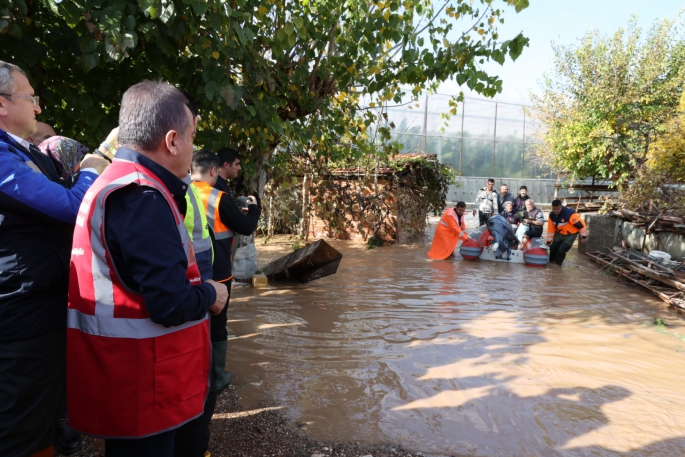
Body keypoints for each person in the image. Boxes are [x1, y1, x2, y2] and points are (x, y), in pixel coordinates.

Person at [66, 80, 228, 457]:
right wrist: (212, 293)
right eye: (190, 137)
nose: (192, 149)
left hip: (127, 377)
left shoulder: (113, 180)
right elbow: (169, 304)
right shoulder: (143, 197)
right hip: (148, 384)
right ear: (172, 141)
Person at [0, 60, 109, 457]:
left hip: (42, 302)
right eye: (31, 98)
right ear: (2, 105)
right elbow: (68, 207)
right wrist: (92, 171)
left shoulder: (21, 151)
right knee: (21, 427)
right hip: (21, 313)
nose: (39, 108)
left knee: (42, 417)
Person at [191, 149, 260, 394]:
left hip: (187, 272)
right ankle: (217, 376)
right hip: (218, 271)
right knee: (218, 323)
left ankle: (193, 372)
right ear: (214, 170)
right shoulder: (219, 197)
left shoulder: (177, 192)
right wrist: (254, 208)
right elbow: (245, 226)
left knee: (192, 321)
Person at [547, 199, 588, 266]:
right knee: (553, 248)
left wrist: (584, 237)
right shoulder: (551, 215)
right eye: (554, 209)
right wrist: (549, 242)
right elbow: (551, 230)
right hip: (560, 232)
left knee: (561, 250)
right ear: (552, 208)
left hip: (571, 234)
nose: (556, 211)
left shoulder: (569, 214)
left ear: (561, 207)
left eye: (557, 209)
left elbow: (580, 225)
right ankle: (551, 263)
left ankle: (558, 265)